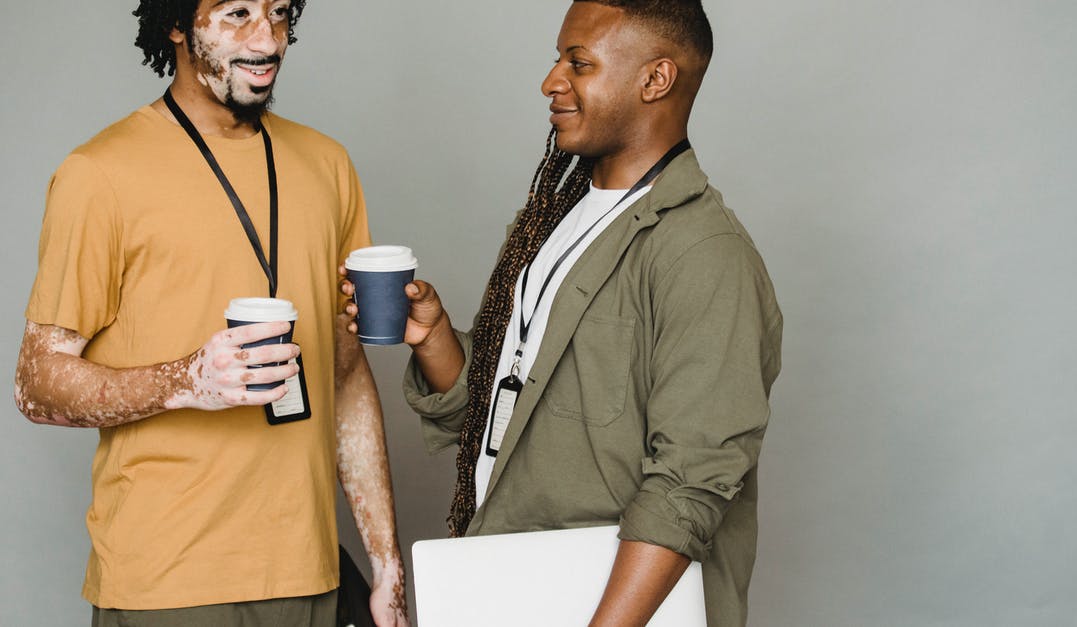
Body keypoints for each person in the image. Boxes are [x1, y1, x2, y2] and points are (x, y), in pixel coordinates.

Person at [344, 1, 781, 624]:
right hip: (510, 580)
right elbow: (510, 416)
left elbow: (690, 484)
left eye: (579, 63)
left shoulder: (705, 255)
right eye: (558, 59)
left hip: (602, 605)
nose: (551, 81)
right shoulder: (552, 219)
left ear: (654, 80)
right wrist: (436, 339)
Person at [13, 1, 408, 625]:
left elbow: (347, 373)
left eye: (278, 13)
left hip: (310, 572)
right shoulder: (99, 173)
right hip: (167, 579)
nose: (268, 38)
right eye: (236, 14)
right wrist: (186, 381)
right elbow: (36, 384)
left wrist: (386, 566)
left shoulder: (328, 164)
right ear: (177, 24)